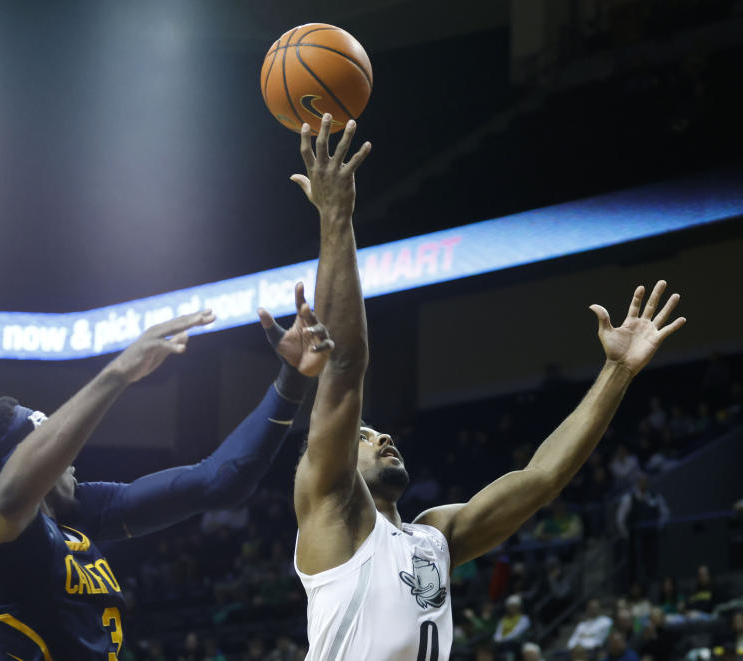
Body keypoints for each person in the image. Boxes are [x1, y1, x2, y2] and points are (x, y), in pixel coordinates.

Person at [290, 113, 687, 660]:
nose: (381, 438)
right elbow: (344, 368)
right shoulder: (330, 507)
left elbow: (542, 478)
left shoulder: (435, 538)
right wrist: (337, 218)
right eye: (364, 435)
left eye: (380, 432)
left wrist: (617, 372)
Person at [0, 301, 333, 660]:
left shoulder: (79, 509)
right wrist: (118, 373)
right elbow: (10, 497)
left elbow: (219, 480)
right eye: (46, 434)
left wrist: (292, 380)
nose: (67, 452)